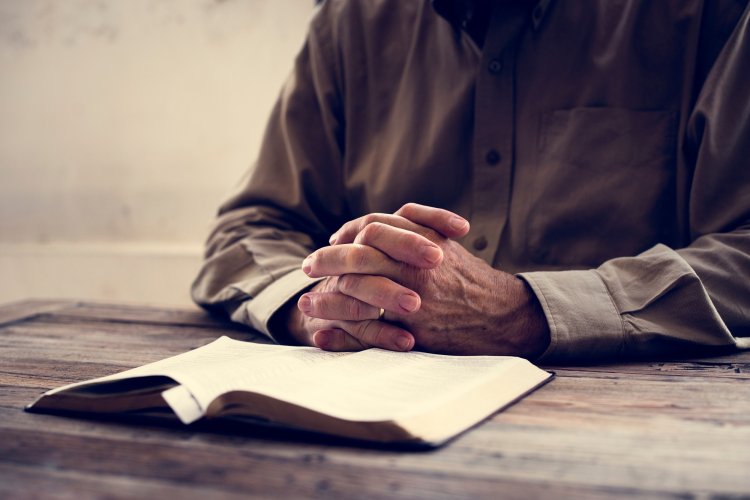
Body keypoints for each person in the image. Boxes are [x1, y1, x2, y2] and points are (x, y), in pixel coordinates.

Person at [191, 0, 750, 362]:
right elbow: (250, 230)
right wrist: (321, 304)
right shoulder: (351, 22)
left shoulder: (712, 16)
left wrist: (525, 312)